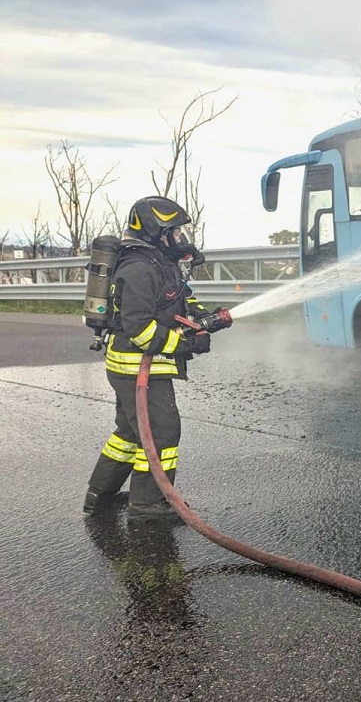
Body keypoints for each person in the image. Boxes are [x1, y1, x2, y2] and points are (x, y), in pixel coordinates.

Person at [83, 196, 227, 520]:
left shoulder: (161, 264)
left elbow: (181, 300)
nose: (180, 239)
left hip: (135, 367)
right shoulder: (138, 268)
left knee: (130, 433)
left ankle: (99, 494)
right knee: (162, 432)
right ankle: (147, 504)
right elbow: (139, 328)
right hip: (135, 367)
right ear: (154, 232)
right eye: (174, 232)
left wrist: (206, 318)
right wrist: (185, 344)